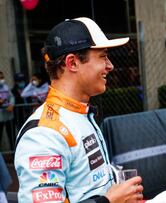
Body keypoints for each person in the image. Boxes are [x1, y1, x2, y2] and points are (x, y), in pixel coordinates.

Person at [15, 17, 143, 203]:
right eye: (103, 56)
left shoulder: (81, 113)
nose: (110, 65)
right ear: (72, 63)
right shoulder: (44, 134)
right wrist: (109, 200)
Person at [0, 72, 15, 151]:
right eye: (0, 78)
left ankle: (14, 156)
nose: (1, 80)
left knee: (11, 136)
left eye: (2, 78)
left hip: (9, 115)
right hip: (0, 116)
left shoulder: (6, 87)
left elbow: (12, 96)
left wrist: (11, 105)